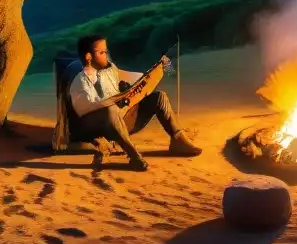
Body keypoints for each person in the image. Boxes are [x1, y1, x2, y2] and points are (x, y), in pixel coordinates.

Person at [69, 34, 202, 170]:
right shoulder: (81, 81)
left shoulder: (110, 70)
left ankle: (177, 139)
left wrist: (142, 80)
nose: (106, 55)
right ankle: (134, 156)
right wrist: (113, 104)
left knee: (159, 97)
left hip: (123, 119)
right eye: (102, 52)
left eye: (106, 51)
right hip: (100, 127)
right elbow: (83, 109)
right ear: (88, 57)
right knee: (110, 110)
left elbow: (132, 77)